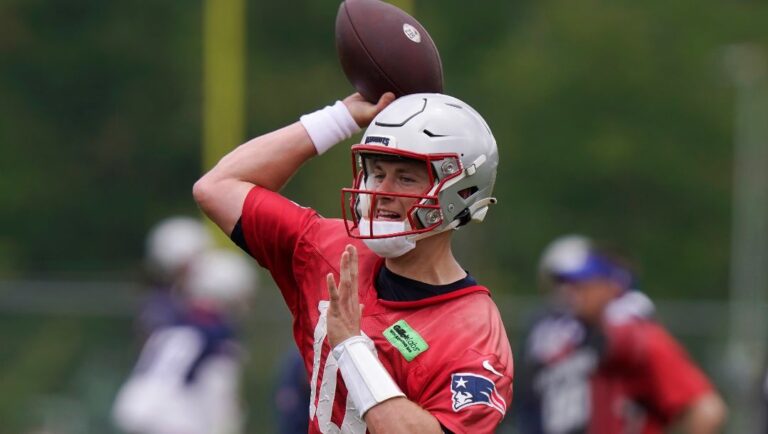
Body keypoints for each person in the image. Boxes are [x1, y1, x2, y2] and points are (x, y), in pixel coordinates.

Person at [193, 91, 514, 433]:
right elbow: (217, 187)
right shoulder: (331, 249)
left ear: (460, 192)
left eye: (405, 178)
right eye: (377, 173)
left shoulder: (475, 335)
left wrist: (352, 347)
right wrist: (340, 117)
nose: (381, 191)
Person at [518, 235, 727, 434]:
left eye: (584, 285)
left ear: (612, 286)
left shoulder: (639, 336)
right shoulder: (586, 334)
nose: (573, 293)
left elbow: (706, 410)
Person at [113, 248, 257, 434]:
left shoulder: (174, 320)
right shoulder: (217, 333)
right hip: (172, 414)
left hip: (133, 403)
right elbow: (219, 390)